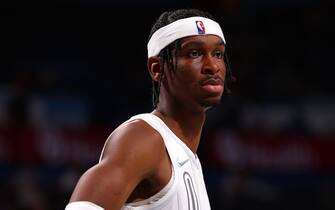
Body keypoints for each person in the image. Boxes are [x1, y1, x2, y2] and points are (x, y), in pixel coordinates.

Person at [65, 8, 232, 210]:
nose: (212, 66)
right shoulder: (143, 138)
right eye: (194, 53)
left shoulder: (187, 156)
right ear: (156, 68)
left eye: (218, 54)